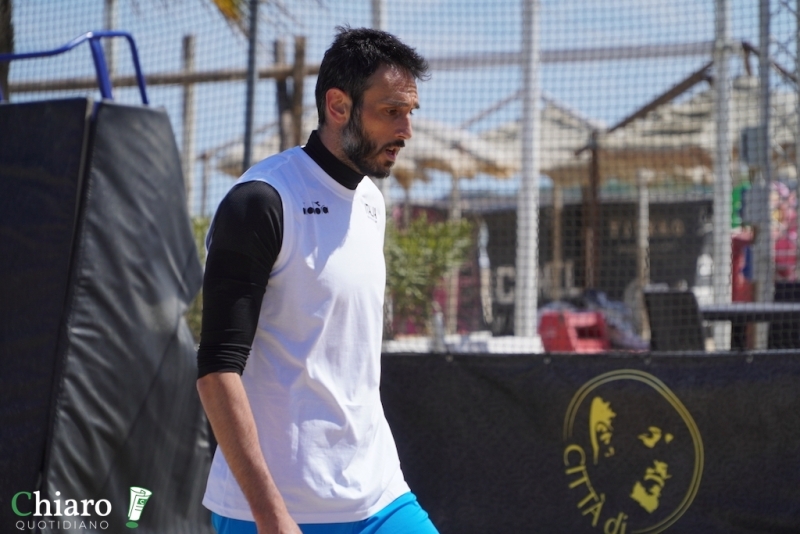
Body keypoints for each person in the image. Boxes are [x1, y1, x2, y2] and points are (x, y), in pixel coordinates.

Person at [196, 27, 438, 534]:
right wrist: (271, 516)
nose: (406, 129)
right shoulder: (261, 202)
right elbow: (217, 371)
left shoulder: (372, 201)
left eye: (410, 112)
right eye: (391, 110)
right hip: (272, 511)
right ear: (337, 105)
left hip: (380, 496)